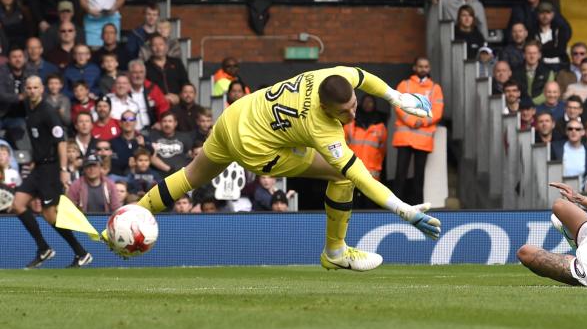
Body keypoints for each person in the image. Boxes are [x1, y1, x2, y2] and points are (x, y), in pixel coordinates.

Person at [79, 66, 441, 270]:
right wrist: (403, 209)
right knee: (341, 173)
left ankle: (122, 225)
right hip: (256, 149)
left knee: (190, 175)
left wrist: (397, 97)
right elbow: (361, 175)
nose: (353, 113)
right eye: (344, 111)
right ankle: (335, 252)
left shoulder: (334, 76)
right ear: (328, 109)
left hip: (235, 117)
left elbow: (362, 76)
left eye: (353, 105)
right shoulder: (322, 127)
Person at [10, 76, 92, 268]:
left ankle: (81, 253)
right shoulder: (29, 109)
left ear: (42, 89)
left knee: (50, 215)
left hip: (51, 168)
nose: (32, 91)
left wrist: (63, 170)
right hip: (38, 167)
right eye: (28, 87)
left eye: (35, 87)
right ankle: (44, 248)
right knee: (18, 204)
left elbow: (61, 141)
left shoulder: (47, 111)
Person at [392, 57, 445, 204]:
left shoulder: (435, 88)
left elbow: (438, 110)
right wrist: (411, 121)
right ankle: (396, 205)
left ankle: (417, 206)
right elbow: (398, 104)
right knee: (400, 173)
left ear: (429, 69)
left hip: (423, 139)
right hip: (405, 137)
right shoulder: (405, 84)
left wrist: (422, 121)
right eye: (420, 66)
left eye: (426, 66)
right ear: (415, 67)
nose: (423, 69)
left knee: (419, 175)